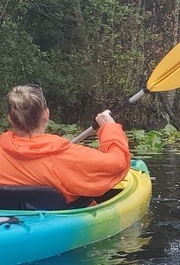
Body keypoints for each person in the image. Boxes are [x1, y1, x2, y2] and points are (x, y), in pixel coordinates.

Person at [0, 84, 130, 207]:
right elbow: (118, 163)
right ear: (46, 114)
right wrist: (109, 127)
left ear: (11, 119)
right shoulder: (66, 155)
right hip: (55, 221)